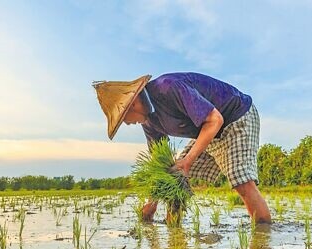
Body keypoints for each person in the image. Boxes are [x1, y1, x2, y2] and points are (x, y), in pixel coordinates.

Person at [93, 72, 271, 223]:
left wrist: (186, 161)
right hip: (208, 129)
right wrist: (152, 202)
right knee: (175, 178)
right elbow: (161, 166)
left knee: (241, 181)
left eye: (123, 119)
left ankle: (262, 237)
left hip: (236, 116)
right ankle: (175, 236)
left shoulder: (169, 88)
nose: (127, 124)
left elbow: (215, 120)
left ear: (131, 105)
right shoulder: (148, 122)